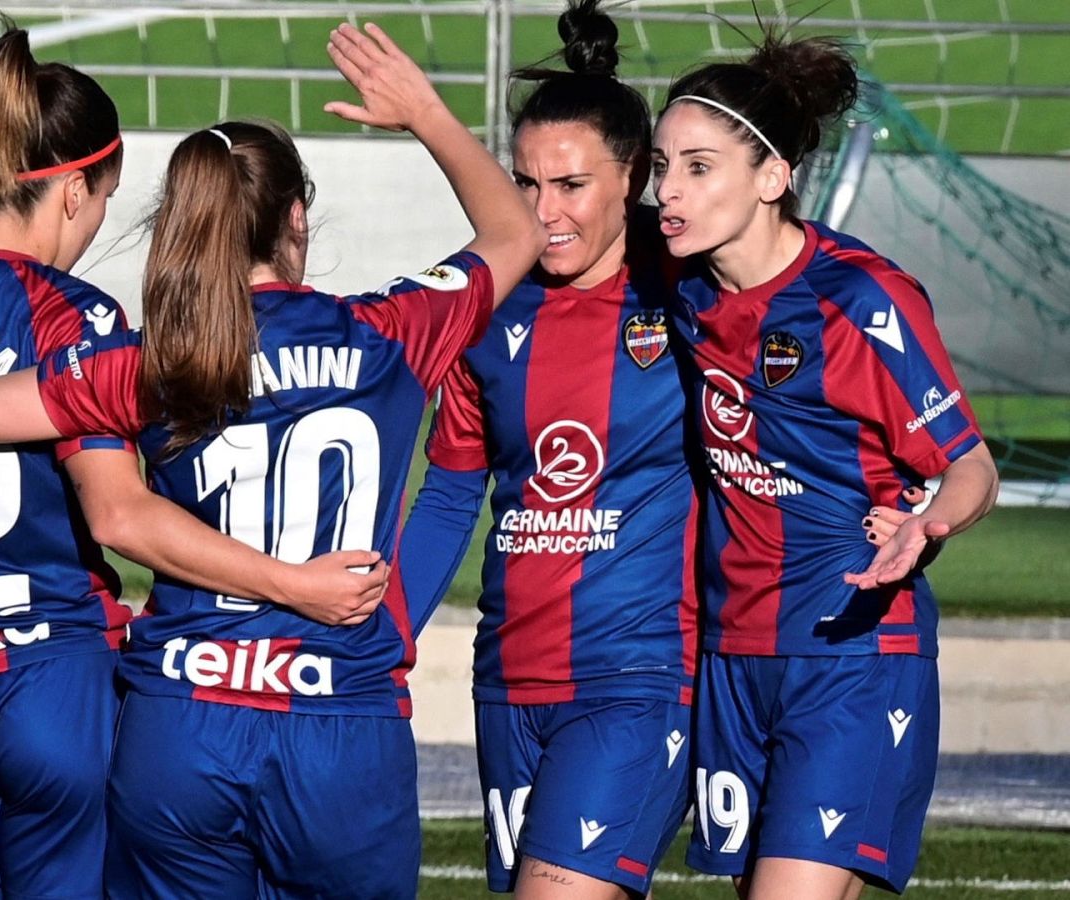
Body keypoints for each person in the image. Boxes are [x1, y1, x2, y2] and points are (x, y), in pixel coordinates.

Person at [0, 22, 542, 897]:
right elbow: (513, 231)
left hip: (180, 723)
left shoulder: (150, 362)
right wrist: (426, 116)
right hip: (336, 718)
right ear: (296, 217)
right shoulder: (391, 334)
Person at [0, 25, 390, 900]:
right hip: (54, 675)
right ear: (74, 189)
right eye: (104, 198)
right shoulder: (77, 317)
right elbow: (115, 507)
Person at [651, 28, 999, 899]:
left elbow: (972, 468)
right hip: (735, 655)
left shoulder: (859, 299)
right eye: (662, 166)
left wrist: (929, 523)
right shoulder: (684, 283)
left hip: (853, 648)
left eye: (698, 167)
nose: (667, 191)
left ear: (773, 179)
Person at [397, 3, 697, 896]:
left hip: (640, 676)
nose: (542, 211)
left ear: (636, 175)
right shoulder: (485, 296)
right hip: (510, 681)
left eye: (571, 186)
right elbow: (450, 495)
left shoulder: (690, 286)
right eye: (524, 184)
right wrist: (384, 642)